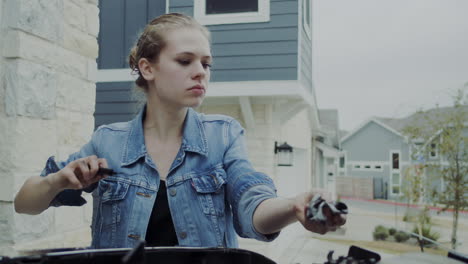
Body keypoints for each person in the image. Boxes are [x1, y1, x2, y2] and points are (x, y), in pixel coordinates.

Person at [14, 13, 345, 249]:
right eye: (185, 61)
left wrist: (293, 207)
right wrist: (59, 180)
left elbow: (251, 204)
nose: (200, 72)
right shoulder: (107, 142)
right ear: (148, 67)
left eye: (206, 63)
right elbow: (25, 203)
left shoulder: (224, 136)